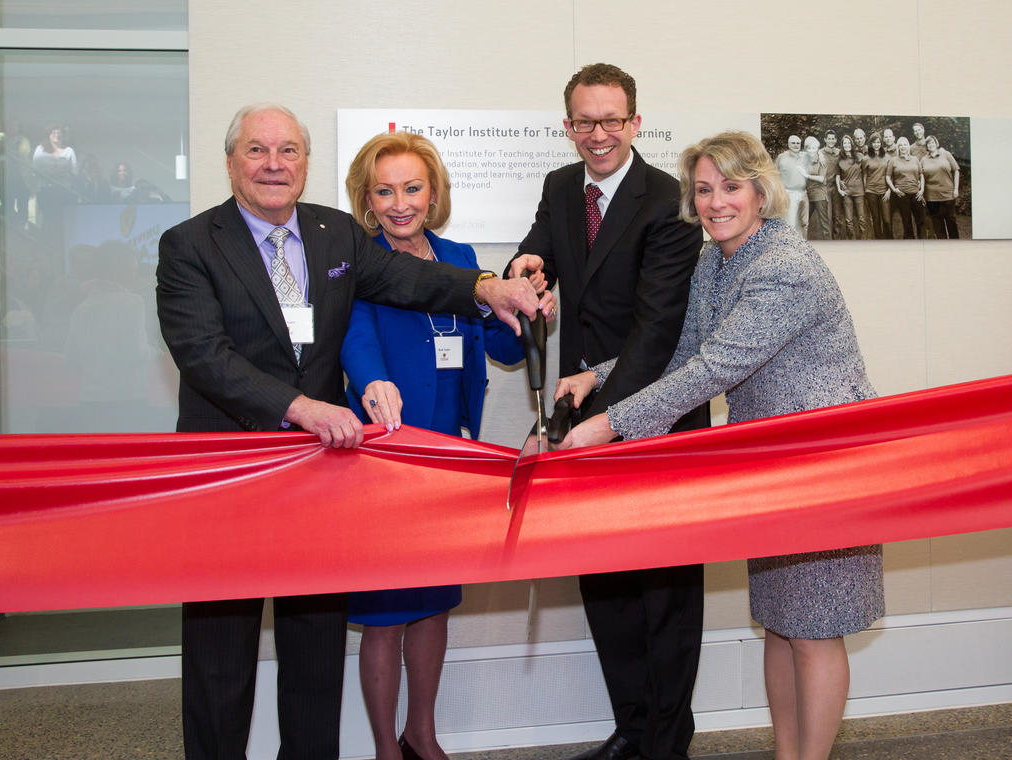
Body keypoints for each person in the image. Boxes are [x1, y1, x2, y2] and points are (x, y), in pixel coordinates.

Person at [155, 102, 546, 760]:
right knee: (221, 659)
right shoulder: (190, 245)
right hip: (231, 474)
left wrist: (488, 288)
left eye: (288, 151)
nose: (273, 164)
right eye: (257, 150)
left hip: (318, 475)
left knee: (314, 652)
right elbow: (203, 355)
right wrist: (301, 406)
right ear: (230, 162)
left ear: (307, 164)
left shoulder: (335, 235)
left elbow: (408, 277)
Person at [556, 130, 884, 760]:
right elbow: (683, 350)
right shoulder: (718, 258)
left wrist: (609, 424)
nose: (715, 202)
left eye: (730, 187)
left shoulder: (782, 268)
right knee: (781, 625)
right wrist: (594, 376)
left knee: (815, 629)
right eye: (703, 190)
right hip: (769, 465)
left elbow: (712, 370)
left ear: (761, 191)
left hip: (824, 466)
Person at [506, 62, 708, 760]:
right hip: (581, 417)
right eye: (584, 122)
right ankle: (631, 730)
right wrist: (526, 271)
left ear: (635, 122)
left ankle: (667, 743)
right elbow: (540, 252)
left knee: (665, 593)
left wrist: (607, 420)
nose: (598, 134)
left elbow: (656, 333)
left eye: (611, 120)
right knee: (607, 585)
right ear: (568, 127)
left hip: (655, 418)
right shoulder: (561, 186)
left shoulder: (669, 200)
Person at [340, 131, 525, 760]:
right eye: (385, 190)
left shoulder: (460, 257)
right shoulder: (356, 261)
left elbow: (496, 349)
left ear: (433, 192)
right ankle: (385, 750)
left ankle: (421, 733)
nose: (400, 203)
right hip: (382, 459)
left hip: (448, 458)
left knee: (433, 604)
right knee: (384, 611)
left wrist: (526, 309)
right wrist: (370, 382)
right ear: (367, 199)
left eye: (412, 188)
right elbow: (354, 341)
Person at [886, 136, 927, 239]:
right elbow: (887, 176)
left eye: (905, 144)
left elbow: (921, 175)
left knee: (920, 220)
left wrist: (922, 190)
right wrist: (894, 189)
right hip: (902, 194)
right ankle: (910, 242)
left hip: (916, 194)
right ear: (898, 147)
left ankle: (922, 242)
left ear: (908, 146)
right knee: (906, 220)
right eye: (900, 145)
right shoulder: (893, 160)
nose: (903, 147)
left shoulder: (915, 159)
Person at [920, 134, 961, 239]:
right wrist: (922, 193)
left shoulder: (946, 154)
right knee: (938, 225)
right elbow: (921, 177)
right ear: (926, 146)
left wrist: (956, 188)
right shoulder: (923, 160)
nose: (931, 145)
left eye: (932, 142)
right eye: (928, 143)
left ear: (936, 143)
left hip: (948, 195)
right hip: (931, 197)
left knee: (951, 222)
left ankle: (955, 246)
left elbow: (956, 170)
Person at [776, 135, 810, 238]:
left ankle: (804, 246)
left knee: (805, 223)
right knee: (791, 223)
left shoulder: (804, 156)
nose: (796, 145)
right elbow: (774, 174)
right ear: (788, 144)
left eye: (798, 143)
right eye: (793, 143)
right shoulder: (782, 157)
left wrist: (820, 156)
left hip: (803, 193)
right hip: (789, 193)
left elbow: (817, 153)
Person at [835, 134, 867, 240]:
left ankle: (863, 240)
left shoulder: (859, 156)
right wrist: (839, 189)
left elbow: (866, 172)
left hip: (859, 192)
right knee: (849, 220)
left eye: (849, 143)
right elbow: (837, 176)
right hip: (846, 192)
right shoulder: (839, 159)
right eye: (845, 143)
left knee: (861, 218)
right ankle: (852, 241)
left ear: (852, 144)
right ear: (842, 145)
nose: (847, 145)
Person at [860, 136, 891, 239]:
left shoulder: (887, 157)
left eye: (878, 142)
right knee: (876, 219)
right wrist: (865, 191)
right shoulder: (865, 158)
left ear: (881, 143)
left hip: (884, 191)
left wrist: (889, 191)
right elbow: (864, 176)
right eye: (874, 142)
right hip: (871, 191)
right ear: (871, 144)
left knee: (886, 219)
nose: (876, 144)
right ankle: (879, 242)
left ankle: (890, 241)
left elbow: (891, 176)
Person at [803, 136, 831, 240]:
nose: (811, 150)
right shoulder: (804, 159)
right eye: (809, 148)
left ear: (817, 148)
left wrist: (807, 176)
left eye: (814, 148)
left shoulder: (822, 161)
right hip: (807, 195)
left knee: (824, 224)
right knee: (804, 222)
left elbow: (821, 179)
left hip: (820, 195)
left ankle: (830, 246)